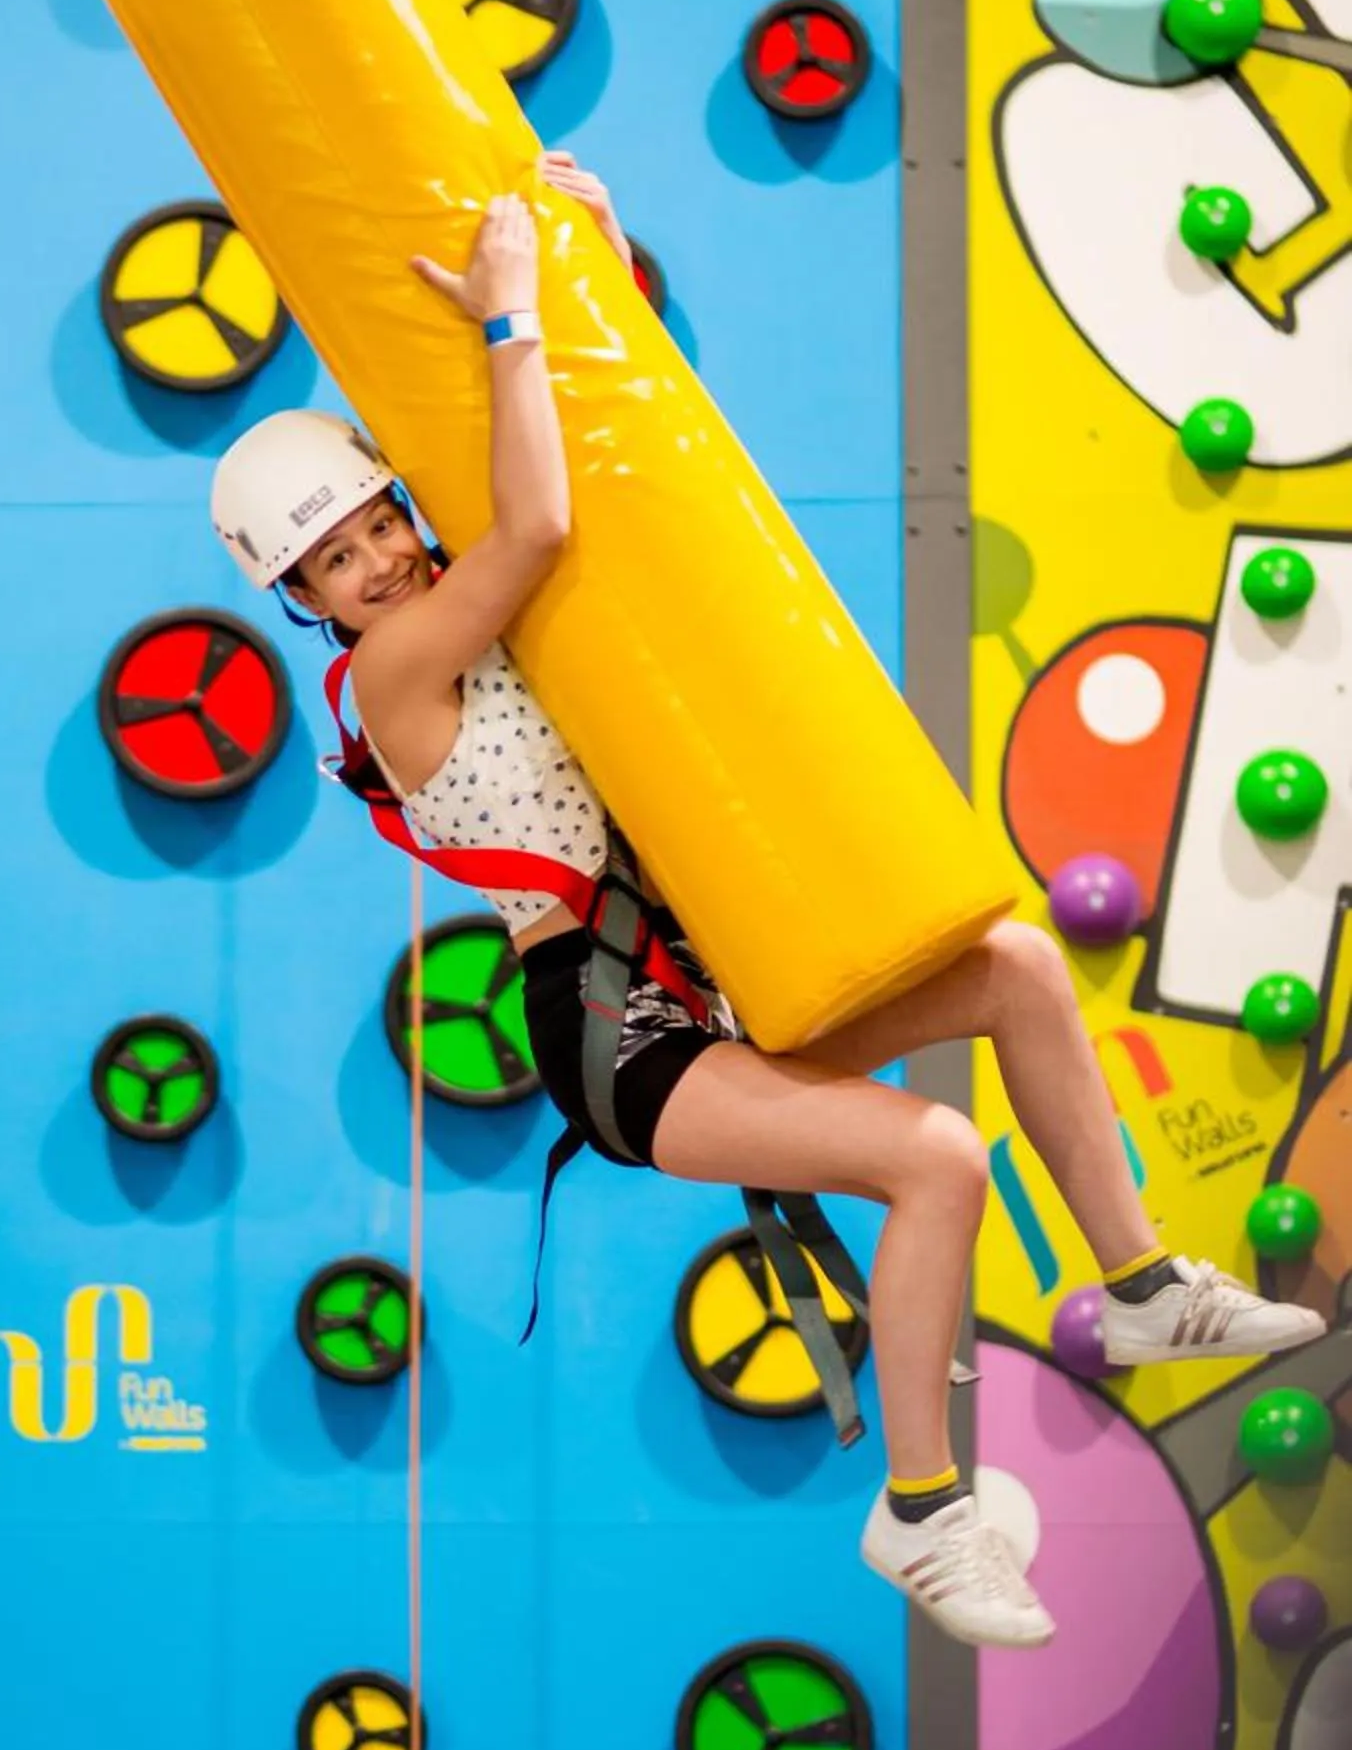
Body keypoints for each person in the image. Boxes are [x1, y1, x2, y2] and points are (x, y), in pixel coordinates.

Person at [209, 158, 1326, 1650]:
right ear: (310, 605)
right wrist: (512, 309)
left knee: (1014, 969)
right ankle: (925, 1513)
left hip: (693, 975)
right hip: (616, 1036)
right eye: (334, 563)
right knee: (935, 1157)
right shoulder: (399, 667)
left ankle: (1136, 1282)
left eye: (374, 525)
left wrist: (588, 265)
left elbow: (601, 501)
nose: (376, 561)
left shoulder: (449, 611)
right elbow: (537, 525)